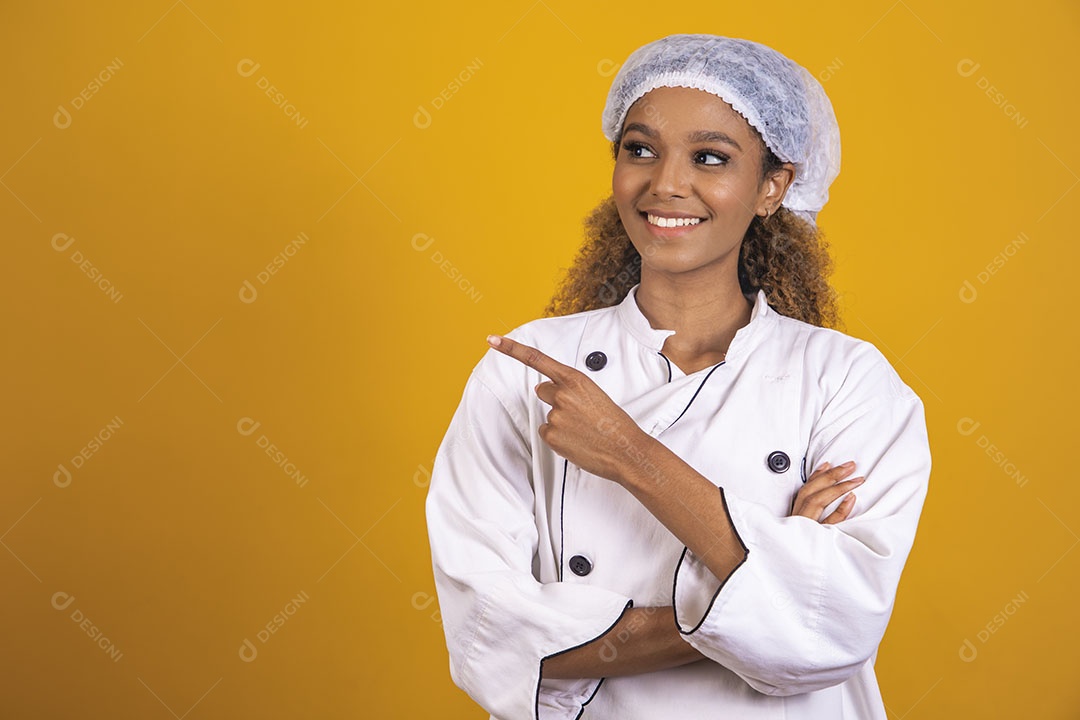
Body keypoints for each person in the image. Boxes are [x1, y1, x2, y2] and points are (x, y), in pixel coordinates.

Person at [425, 33, 931, 720]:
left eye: (710, 158)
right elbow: (488, 636)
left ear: (773, 187)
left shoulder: (847, 381)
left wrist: (628, 453)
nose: (664, 183)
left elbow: (837, 631)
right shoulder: (527, 369)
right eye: (640, 149)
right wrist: (761, 586)